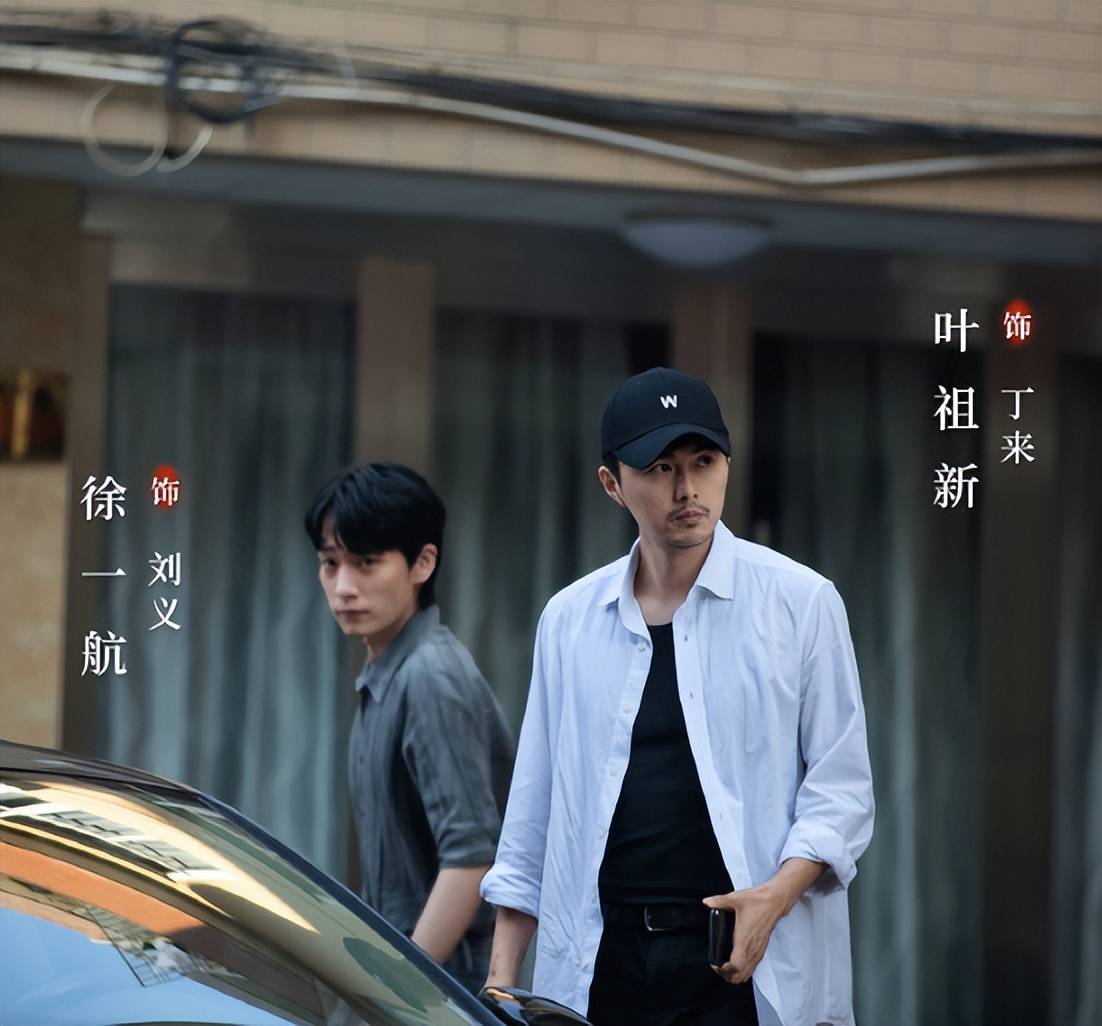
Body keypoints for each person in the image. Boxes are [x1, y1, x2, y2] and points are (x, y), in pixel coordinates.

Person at [479, 368, 874, 1026]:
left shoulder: (801, 603)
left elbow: (841, 791)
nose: (688, 489)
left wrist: (774, 900)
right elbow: (535, 810)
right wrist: (499, 980)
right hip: (601, 962)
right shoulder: (570, 620)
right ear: (612, 483)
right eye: (660, 468)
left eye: (704, 462)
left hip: (741, 965)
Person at [305, 462, 514, 993]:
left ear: (423, 563)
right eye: (330, 564)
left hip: (441, 990)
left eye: (367, 563)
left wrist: (399, 993)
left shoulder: (429, 676)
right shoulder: (390, 671)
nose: (344, 586)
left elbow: (471, 859)